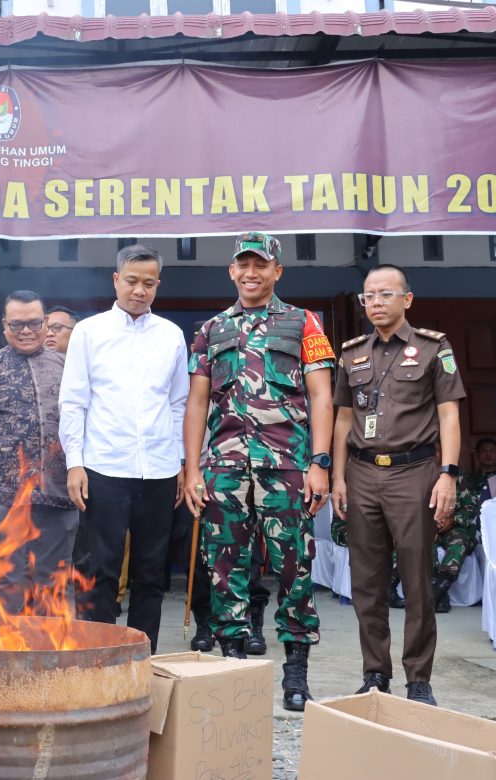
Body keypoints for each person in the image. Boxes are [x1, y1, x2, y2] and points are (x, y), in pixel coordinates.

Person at [183, 231, 334, 712]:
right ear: (232, 271)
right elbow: (197, 401)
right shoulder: (211, 329)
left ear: (276, 271)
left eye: (261, 264)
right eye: (243, 265)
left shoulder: (303, 322)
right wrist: (193, 469)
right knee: (225, 567)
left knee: (294, 566)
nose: (251, 273)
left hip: (286, 464)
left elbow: (322, 396)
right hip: (225, 466)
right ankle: (232, 666)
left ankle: (296, 671)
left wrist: (320, 462)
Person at [331, 263, 465, 707]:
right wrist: (337, 477)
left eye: (386, 294)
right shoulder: (351, 354)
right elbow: (344, 418)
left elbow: (449, 414)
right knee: (366, 583)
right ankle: (374, 673)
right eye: (368, 296)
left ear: (407, 299)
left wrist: (448, 473)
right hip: (363, 473)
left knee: (417, 580)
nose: (375, 303)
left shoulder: (433, 348)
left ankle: (418, 679)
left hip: (415, 472)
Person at [60, 244, 188, 654]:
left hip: (159, 471)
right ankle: (97, 654)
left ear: (158, 286)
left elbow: (177, 404)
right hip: (104, 467)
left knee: (151, 573)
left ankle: (140, 656)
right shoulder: (90, 332)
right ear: (116, 280)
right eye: (131, 281)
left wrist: (182, 462)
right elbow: (74, 401)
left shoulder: (170, 335)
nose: (139, 290)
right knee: (99, 569)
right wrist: (75, 464)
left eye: (148, 283)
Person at [0, 290, 75, 612]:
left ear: (47, 324)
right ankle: (5, 658)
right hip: (1, 497)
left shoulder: (68, 367)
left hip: (58, 495)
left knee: (52, 586)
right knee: (4, 584)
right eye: (17, 324)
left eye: (34, 323)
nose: (26, 330)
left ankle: (49, 659)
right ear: (5, 326)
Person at [430, 438, 496, 613]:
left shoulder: (457, 477)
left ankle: (439, 588)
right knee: (423, 545)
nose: (436, 455)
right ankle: (441, 597)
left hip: (455, 527)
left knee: (459, 543)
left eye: (439, 452)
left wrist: (452, 520)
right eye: (433, 452)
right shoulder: (419, 477)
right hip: (427, 528)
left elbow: (470, 506)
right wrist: (432, 522)